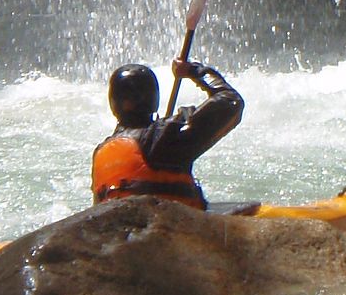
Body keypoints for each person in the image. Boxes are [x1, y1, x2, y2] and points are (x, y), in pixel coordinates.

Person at [91, 58, 242, 210]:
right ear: (154, 99)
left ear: (113, 102)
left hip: (117, 229)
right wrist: (194, 71)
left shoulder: (101, 152)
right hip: (168, 226)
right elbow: (231, 101)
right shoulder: (166, 135)